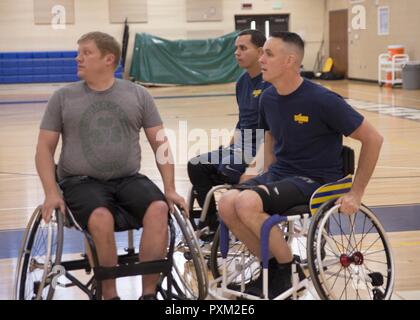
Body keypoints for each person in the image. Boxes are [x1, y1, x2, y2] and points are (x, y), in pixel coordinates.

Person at [218, 31, 384, 299]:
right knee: (227, 202)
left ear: (290, 61)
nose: (261, 59)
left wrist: (357, 192)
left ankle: (286, 269)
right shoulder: (268, 98)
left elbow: (373, 139)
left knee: (247, 203)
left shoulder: (323, 100)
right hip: (282, 174)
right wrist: (256, 172)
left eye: (268, 54)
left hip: (316, 180)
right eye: (262, 53)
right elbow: (271, 138)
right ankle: (275, 267)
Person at [35, 31, 187, 300]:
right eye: (78, 51)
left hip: (128, 178)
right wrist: (50, 192)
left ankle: (149, 294)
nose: (77, 57)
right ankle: (110, 294)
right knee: (101, 217)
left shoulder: (139, 95)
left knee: (159, 208)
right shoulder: (63, 97)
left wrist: (171, 187)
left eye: (86, 52)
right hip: (80, 182)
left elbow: (160, 143)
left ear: (109, 59)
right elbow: (44, 149)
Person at [187, 29, 270, 233]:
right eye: (236, 48)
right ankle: (212, 223)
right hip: (242, 146)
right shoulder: (242, 82)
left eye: (243, 48)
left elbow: (273, 132)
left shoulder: (269, 83)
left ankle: (239, 217)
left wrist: (256, 162)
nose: (237, 53)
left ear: (260, 52)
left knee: (227, 169)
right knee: (196, 165)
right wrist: (231, 145)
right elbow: (243, 119)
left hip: (262, 148)